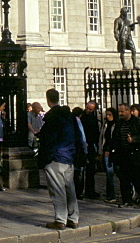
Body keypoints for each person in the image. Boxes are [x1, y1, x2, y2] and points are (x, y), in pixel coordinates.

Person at [37, 88, 83, 230]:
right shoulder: (70, 116)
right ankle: (73, 218)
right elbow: (78, 136)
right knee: (70, 188)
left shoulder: (52, 117)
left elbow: (48, 139)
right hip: (69, 156)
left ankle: (60, 220)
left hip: (55, 157)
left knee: (58, 190)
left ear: (48, 99)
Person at [113, 103, 140, 207]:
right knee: (124, 179)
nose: (120, 113)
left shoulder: (137, 122)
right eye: (119, 111)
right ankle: (126, 200)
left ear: (128, 111)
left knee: (137, 179)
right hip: (123, 154)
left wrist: (133, 139)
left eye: (122, 111)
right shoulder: (119, 123)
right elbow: (115, 137)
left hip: (135, 154)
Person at [80, 101, 101, 199]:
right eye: (87, 108)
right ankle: (79, 191)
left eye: (90, 109)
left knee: (91, 171)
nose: (88, 110)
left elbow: (96, 133)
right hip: (83, 145)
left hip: (91, 146)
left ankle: (90, 190)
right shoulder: (81, 117)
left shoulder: (93, 118)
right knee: (80, 170)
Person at [100, 107, 118, 202]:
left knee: (120, 173)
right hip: (106, 151)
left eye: (109, 114)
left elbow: (115, 139)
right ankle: (111, 195)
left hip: (115, 151)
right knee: (109, 173)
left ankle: (130, 192)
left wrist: (112, 149)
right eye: (106, 114)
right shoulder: (105, 125)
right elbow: (102, 138)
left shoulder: (117, 124)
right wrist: (101, 150)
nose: (107, 116)